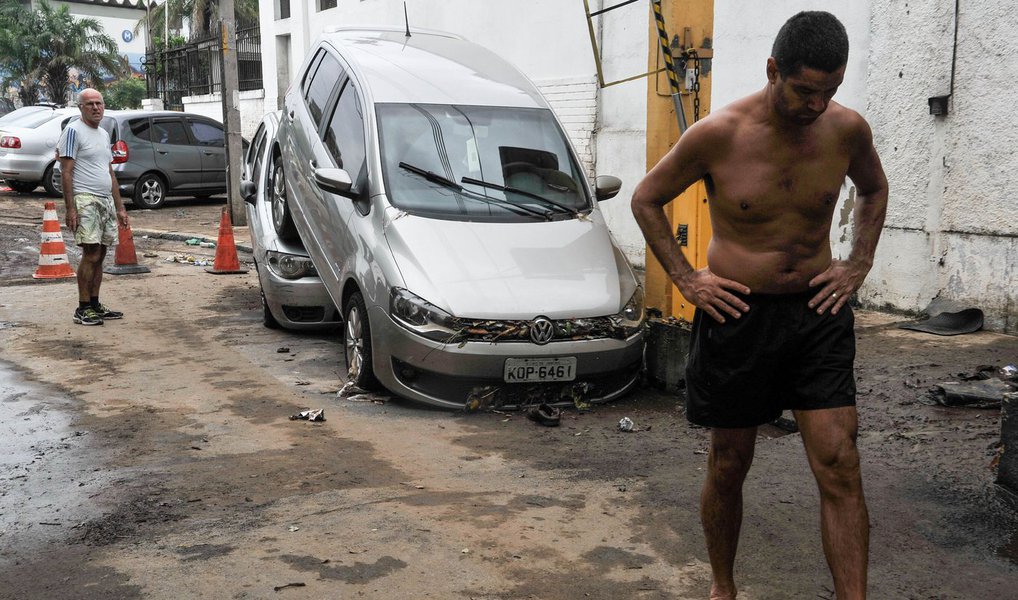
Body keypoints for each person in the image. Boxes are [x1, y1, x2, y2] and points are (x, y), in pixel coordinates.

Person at [631, 11, 888, 600]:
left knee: (839, 459)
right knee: (729, 461)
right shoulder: (718, 134)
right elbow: (646, 200)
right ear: (773, 70)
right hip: (738, 314)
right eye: (804, 90)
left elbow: (874, 187)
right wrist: (687, 280)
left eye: (830, 92)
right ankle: (724, 588)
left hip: (817, 314)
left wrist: (858, 264)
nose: (817, 105)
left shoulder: (846, 130)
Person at [59, 88, 129, 326]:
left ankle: (95, 303)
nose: (96, 108)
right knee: (91, 253)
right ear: (80, 107)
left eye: (99, 103)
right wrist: (70, 209)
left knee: (101, 254)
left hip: (105, 201)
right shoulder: (72, 131)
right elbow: (66, 172)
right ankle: (83, 307)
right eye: (90, 104)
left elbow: (109, 171)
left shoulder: (102, 134)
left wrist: (120, 207)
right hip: (85, 199)